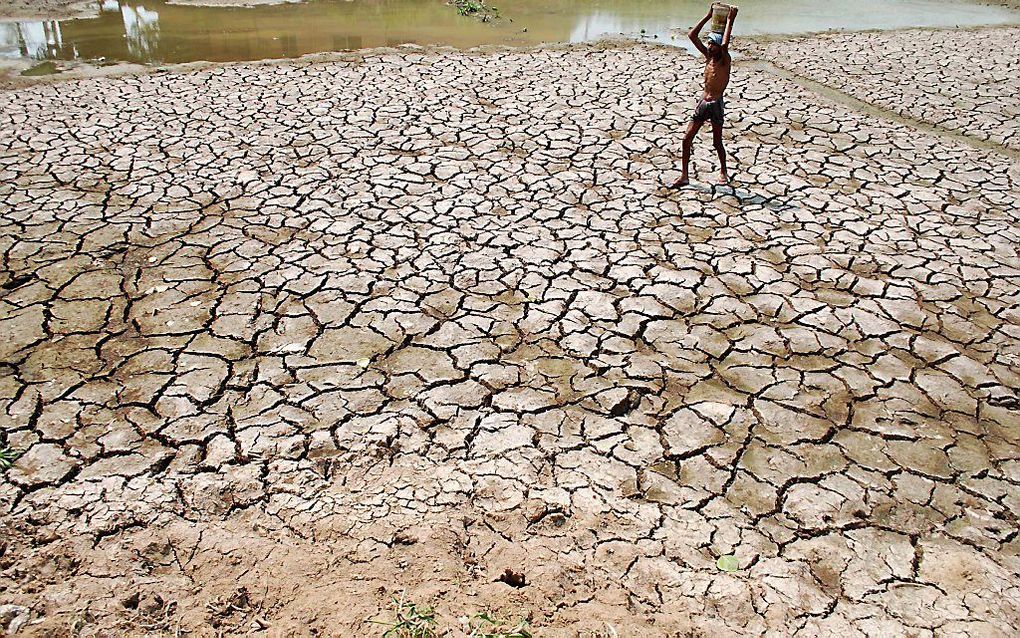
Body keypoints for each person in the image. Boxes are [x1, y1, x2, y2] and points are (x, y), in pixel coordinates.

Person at [671, 4, 738, 188]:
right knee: (686, 139)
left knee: (717, 142)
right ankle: (684, 176)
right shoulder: (708, 57)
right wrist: (709, 16)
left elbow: (724, 45)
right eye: (708, 43)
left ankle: (723, 171)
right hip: (703, 102)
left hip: (716, 104)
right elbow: (692, 35)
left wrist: (730, 21)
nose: (709, 46)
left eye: (712, 44)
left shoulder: (725, 60)